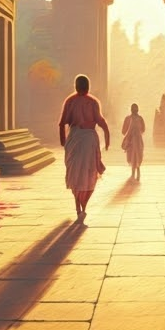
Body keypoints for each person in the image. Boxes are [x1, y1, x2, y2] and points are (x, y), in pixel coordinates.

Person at [58, 74, 111, 224]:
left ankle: (78, 207)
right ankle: (83, 206)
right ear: (88, 86)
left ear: (76, 86)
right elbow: (102, 123)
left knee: (76, 175)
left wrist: (64, 142)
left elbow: (61, 124)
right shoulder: (93, 102)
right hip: (88, 140)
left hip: (75, 140)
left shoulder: (70, 101)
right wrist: (107, 139)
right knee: (90, 174)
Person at [120, 102, 145, 181]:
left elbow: (123, 131)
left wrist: (131, 134)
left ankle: (135, 173)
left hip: (135, 140)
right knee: (135, 156)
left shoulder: (134, 118)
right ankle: (135, 173)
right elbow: (143, 129)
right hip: (133, 140)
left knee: (135, 156)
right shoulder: (136, 118)